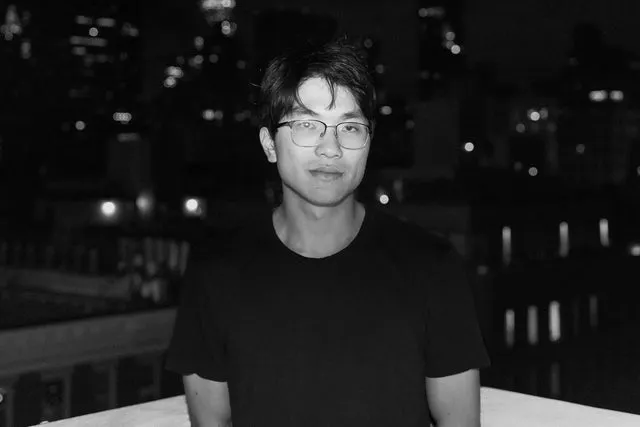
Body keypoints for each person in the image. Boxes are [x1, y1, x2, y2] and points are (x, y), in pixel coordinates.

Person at [165, 39, 490, 427]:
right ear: (269, 144)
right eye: (306, 125)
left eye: (350, 127)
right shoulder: (215, 273)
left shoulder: (432, 268)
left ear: (369, 143)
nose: (331, 148)